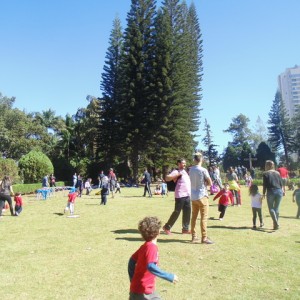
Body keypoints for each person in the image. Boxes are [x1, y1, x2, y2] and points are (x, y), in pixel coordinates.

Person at [128, 216, 178, 299]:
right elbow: (151, 266)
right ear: (158, 232)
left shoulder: (144, 246)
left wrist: (133, 280)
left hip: (137, 289)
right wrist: (169, 276)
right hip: (143, 291)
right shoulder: (151, 247)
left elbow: (131, 261)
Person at [189, 152, 214, 244]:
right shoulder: (203, 170)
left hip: (193, 196)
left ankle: (194, 236)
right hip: (202, 195)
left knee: (194, 217)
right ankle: (204, 237)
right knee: (204, 218)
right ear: (201, 159)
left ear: (194, 159)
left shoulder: (190, 170)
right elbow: (210, 182)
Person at [163, 159, 191, 235]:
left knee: (187, 212)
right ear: (178, 164)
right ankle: (166, 227)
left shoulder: (185, 172)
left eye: (185, 163)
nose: (184, 165)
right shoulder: (176, 171)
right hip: (180, 195)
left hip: (187, 195)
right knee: (177, 212)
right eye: (183, 163)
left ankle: (185, 229)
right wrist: (177, 175)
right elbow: (167, 178)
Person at [263, 160, 283, 230]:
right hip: (279, 190)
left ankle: (276, 222)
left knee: (271, 208)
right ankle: (275, 225)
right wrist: (283, 191)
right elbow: (281, 183)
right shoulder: (277, 173)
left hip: (271, 191)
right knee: (276, 208)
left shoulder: (265, 173)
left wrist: (263, 193)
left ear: (268, 165)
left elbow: (264, 185)